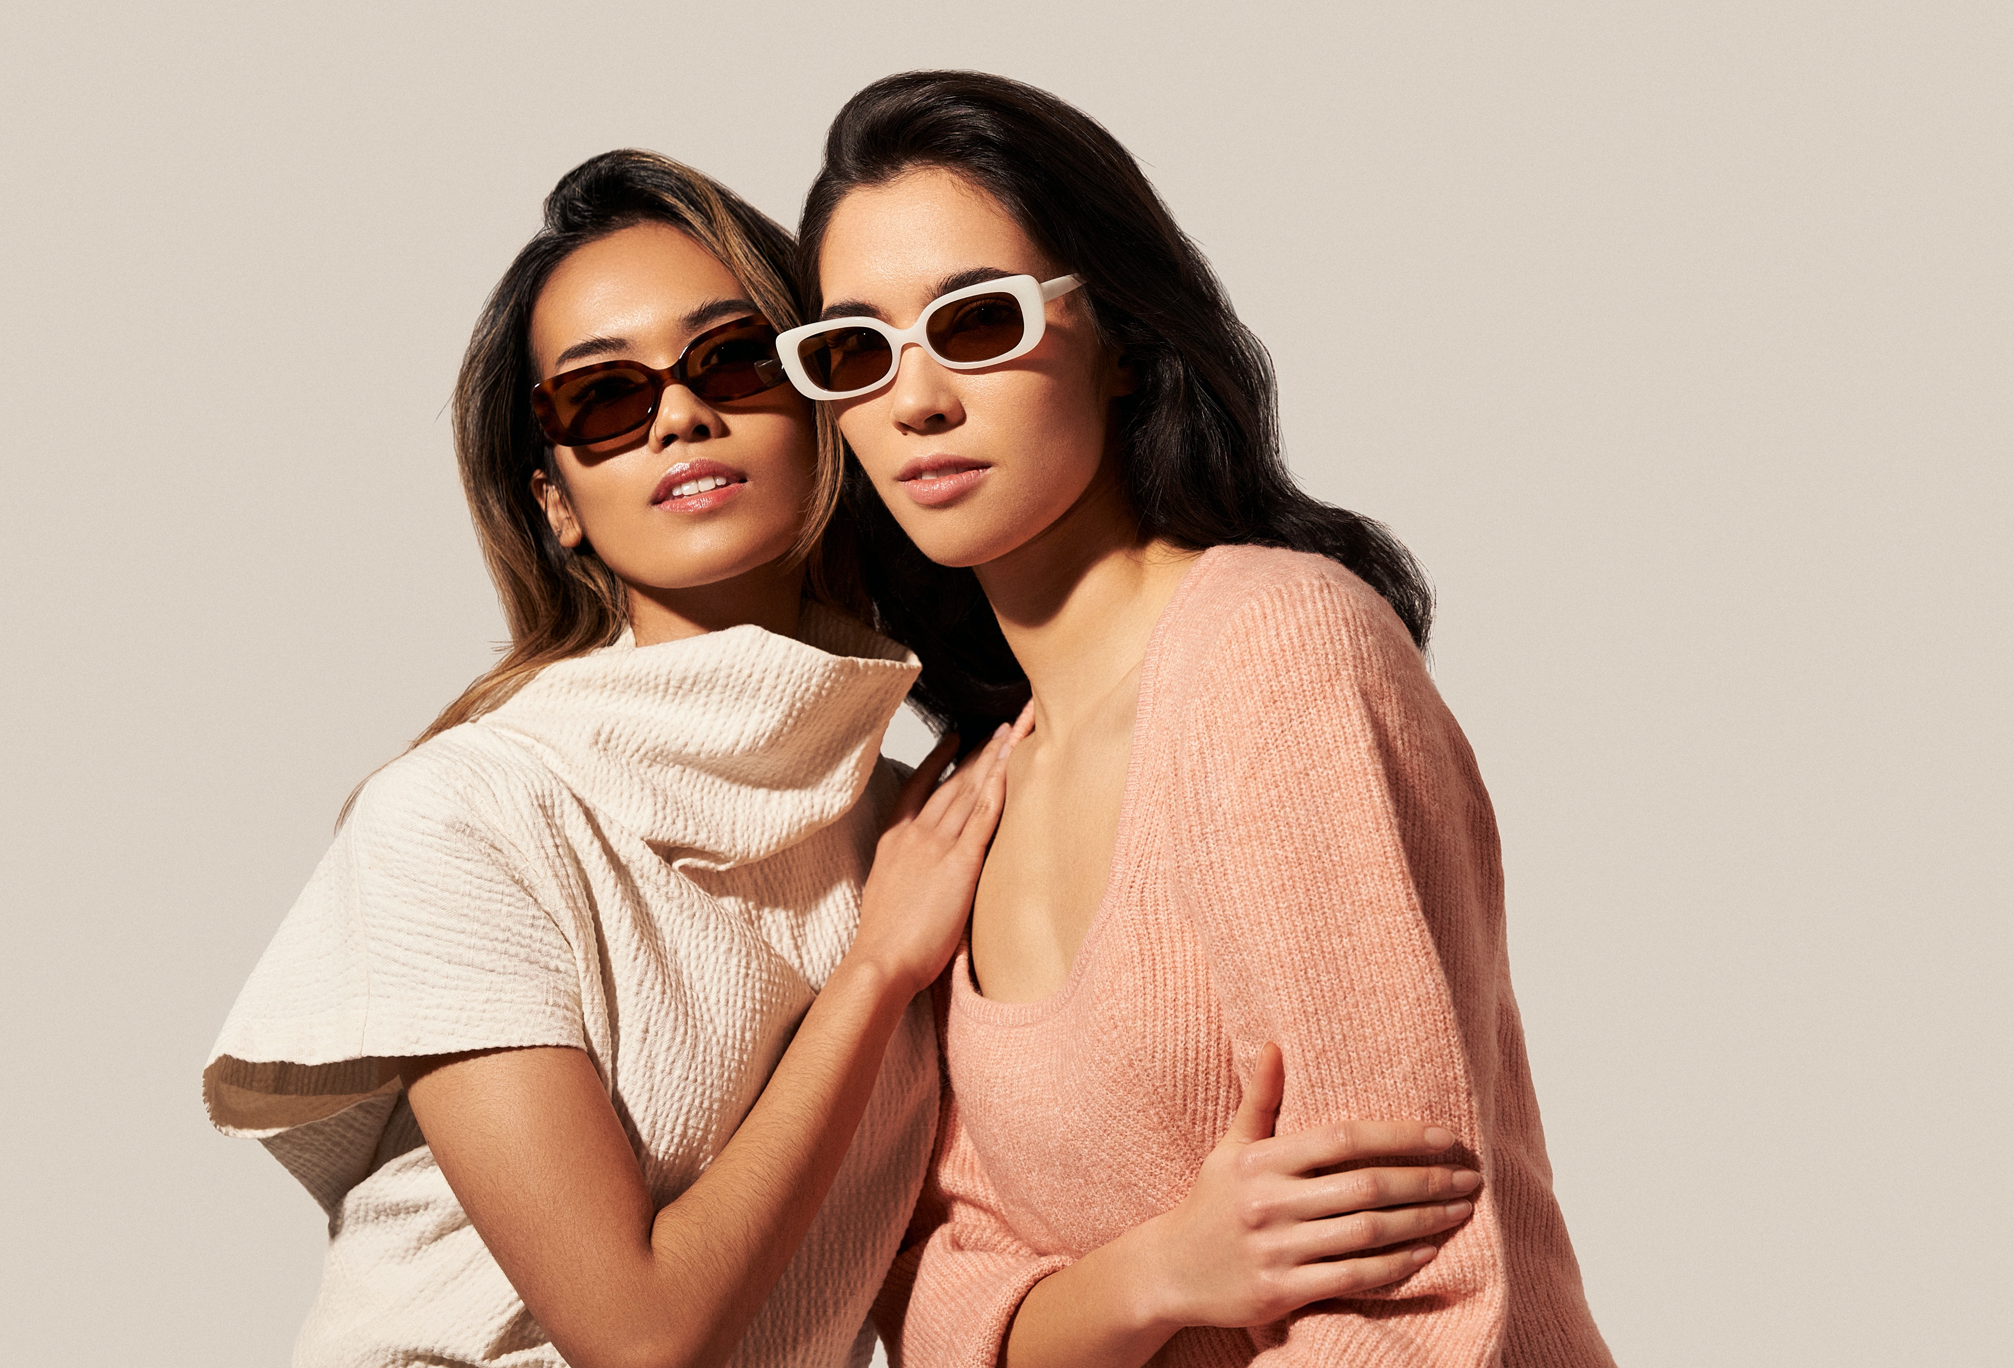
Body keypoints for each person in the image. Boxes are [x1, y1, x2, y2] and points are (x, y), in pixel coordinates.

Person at [783, 72, 1616, 1366]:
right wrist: (1154, 1275)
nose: (915, 400)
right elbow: (929, 1306)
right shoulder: (959, 794)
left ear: (1115, 339)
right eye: (853, 352)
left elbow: (1406, 1285)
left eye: (976, 321)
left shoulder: (1275, 651)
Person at [201, 148, 1028, 1368]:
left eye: (733, 361)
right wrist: (872, 978)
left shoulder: (917, 830)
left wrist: (1174, 1263)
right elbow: (638, 1339)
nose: (679, 416)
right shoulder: (462, 814)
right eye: (604, 399)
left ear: (825, 401)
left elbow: (932, 1285)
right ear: (558, 502)